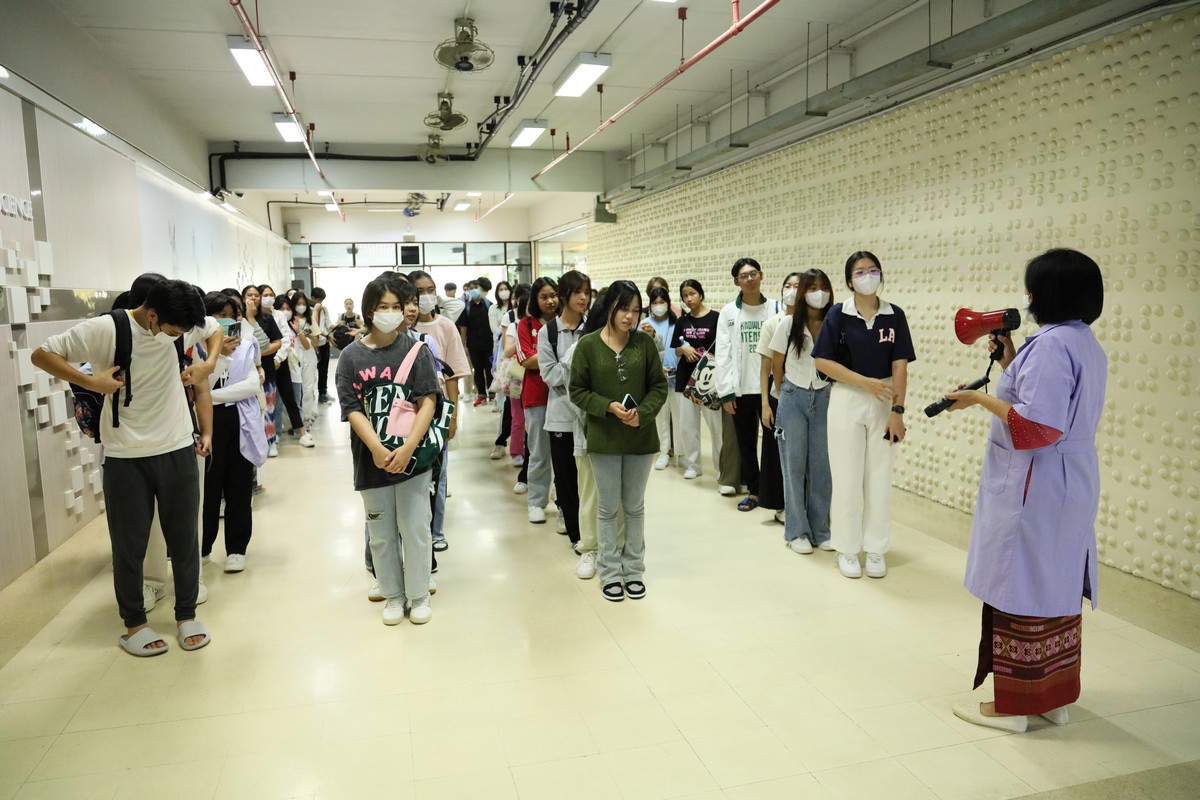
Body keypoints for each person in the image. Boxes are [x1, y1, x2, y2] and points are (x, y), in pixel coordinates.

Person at [945, 249, 1107, 733]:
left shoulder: (1051, 347)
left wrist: (977, 398)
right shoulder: (1081, 342)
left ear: (1046, 294)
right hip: (1068, 482)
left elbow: (1036, 428)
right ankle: (1050, 700)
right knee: (1054, 587)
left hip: (1035, 486)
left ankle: (1014, 708)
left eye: (1032, 289)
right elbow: (1044, 403)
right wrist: (1011, 361)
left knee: (1019, 587)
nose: (1027, 297)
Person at [32, 279, 221, 655]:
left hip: (177, 448)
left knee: (184, 539)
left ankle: (186, 616)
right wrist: (90, 381)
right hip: (124, 456)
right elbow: (42, 355)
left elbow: (213, 329)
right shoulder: (106, 329)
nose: (179, 338)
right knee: (129, 546)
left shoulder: (181, 322)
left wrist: (208, 364)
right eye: (173, 332)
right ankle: (135, 623)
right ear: (152, 316)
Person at [337, 275, 439, 625]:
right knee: (380, 533)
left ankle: (419, 594)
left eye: (397, 306)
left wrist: (409, 447)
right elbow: (351, 408)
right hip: (371, 458)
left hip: (413, 457)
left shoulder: (416, 350)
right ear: (369, 310)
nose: (392, 313)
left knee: (415, 527)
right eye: (384, 307)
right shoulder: (350, 356)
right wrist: (377, 448)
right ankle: (394, 595)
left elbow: (428, 400)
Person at [813, 251, 916, 579]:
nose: (867, 276)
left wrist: (897, 411)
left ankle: (875, 548)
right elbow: (822, 361)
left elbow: (900, 365)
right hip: (847, 398)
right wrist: (864, 383)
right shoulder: (838, 314)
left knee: (879, 478)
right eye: (860, 272)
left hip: (885, 400)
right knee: (846, 477)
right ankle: (846, 547)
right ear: (849, 280)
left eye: (873, 270)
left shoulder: (894, 315)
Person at [570, 280, 668, 601]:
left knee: (635, 508)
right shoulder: (588, 345)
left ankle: (634, 569)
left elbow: (658, 387)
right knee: (608, 508)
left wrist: (644, 413)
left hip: (641, 438)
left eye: (636, 310)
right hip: (604, 439)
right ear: (609, 306)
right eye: (624, 308)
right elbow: (577, 391)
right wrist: (607, 406)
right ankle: (610, 571)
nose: (630, 316)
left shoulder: (644, 343)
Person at [200, 292, 268, 572]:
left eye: (231, 315)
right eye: (219, 316)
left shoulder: (246, 346)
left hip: (238, 420)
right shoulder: (196, 348)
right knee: (208, 488)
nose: (226, 321)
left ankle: (237, 549)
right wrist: (218, 356)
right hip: (206, 424)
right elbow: (199, 381)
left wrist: (206, 397)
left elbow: (251, 385)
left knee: (239, 486)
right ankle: (203, 547)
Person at [768, 269, 834, 554]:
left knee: (822, 467)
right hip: (793, 395)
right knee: (793, 466)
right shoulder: (788, 324)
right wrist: (784, 392)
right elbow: (776, 363)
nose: (819, 293)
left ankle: (821, 529)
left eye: (823, 287)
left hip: (825, 396)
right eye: (812, 287)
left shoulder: (835, 323)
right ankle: (796, 531)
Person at [715, 258, 783, 511]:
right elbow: (723, 353)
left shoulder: (776, 308)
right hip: (740, 389)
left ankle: (773, 493)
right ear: (737, 281)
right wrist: (725, 391)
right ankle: (754, 491)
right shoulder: (728, 312)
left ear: (761, 275)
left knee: (773, 444)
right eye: (744, 276)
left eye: (753, 273)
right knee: (745, 442)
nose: (750, 279)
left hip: (771, 389)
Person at [409, 271, 468, 550]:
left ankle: (436, 532)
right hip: (408, 411)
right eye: (419, 291)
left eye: (430, 289)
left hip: (438, 411)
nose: (425, 296)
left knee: (439, 473)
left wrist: (453, 416)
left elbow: (452, 376)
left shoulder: (445, 327)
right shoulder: (402, 329)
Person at [538, 270, 590, 547]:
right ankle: (576, 536)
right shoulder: (548, 332)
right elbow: (550, 375)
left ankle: (592, 533)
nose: (583, 298)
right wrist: (575, 360)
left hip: (592, 417)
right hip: (561, 417)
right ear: (563, 296)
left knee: (590, 481)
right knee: (567, 480)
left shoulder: (594, 328)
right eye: (577, 292)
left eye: (587, 292)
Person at [670, 279, 738, 487]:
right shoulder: (682, 321)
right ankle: (694, 465)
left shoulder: (716, 318)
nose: (689, 299)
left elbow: (725, 347)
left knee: (716, 427)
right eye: (685, 296)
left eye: (692, 293)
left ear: (700, 293)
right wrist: (683, 349)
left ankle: (721, 467)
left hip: (710, 380)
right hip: (686, 380)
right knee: (688, 426)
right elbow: (676, 349)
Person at [755, 272, 801, 522]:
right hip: (779, 392)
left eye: (797, 286)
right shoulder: (773, 323)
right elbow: (765, 368)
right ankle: (780, 504)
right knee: (777, 450)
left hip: (807, 392)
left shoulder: (816, 322)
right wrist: (765, 403)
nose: (791, 290)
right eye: (787, 286)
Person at [516, 277, 560, 524]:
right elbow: (526, 360)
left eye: (553, 295)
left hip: (564, 395)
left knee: (565, 455)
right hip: (536, 397)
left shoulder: (566, 322)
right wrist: (558, 360)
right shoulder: (526, 324)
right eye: (544, 297)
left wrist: (543, 358)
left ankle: (563, 500)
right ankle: (536, 501)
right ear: (535, 299)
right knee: (539, 452)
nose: (550, 300)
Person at [261, 285, 313, 448]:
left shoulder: (278, 316)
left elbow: (284, 340)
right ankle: (273, 434)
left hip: (281, 361)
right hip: (264, 362)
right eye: (265, 295)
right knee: (271, 401)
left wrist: (278, 358)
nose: (268, 297)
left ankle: (301, 433)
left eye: (271, 294)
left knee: (290, 398)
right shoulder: (256, 317)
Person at [242, 285, 284, 457]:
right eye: (249, 295)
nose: (253, 298)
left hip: (266, 369)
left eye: (256, 295)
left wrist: (257, 353)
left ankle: (270, 441)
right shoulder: (240, 319)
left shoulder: (267, 318)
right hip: (245, 372)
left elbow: (277, 343)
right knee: (252, 411)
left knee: (268, 408)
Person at [643, 287, 678, 470]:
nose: (659, 306)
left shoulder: (676, 322)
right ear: (650, 305)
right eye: (655, 303)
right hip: (657, 378)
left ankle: (681, 454)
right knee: (661, 418)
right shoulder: (645, 325)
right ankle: (663, 452)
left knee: (679, 419)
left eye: (662, 302)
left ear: (668, 303)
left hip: (677, 376)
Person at [456, 283, 495, 407]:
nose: (474, 290)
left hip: (489, 344)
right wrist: (463, 345)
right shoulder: (467, 308)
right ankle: (481, 395)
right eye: (471, 288)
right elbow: (463, 328)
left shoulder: (489, 305)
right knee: (477, 371)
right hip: (473, 345)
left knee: (490, 370)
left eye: (476, 288)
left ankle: (492, 394)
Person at [290, 290, 320, 429]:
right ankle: (294, 420)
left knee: (308, 388)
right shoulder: (289, 320)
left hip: (308, 356)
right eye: (298, 303)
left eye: (303, 304)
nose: (301, 306)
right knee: (294, 389)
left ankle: (306, 418)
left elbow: (316, 342)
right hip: (293, 355)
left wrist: (304, 334)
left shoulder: (310, 320)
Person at [310, 287, 334, 404]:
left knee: (324, 371)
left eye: (322, 300)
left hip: (324, 343)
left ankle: (322, 393)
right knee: (310, 372)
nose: (320, 303)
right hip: (312, 345)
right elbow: (313, 328)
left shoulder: (324, 310)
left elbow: (328, 324)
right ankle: (309, 395)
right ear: (312, 298)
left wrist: (338, 326)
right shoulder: (309, 310)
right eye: (318, 300)